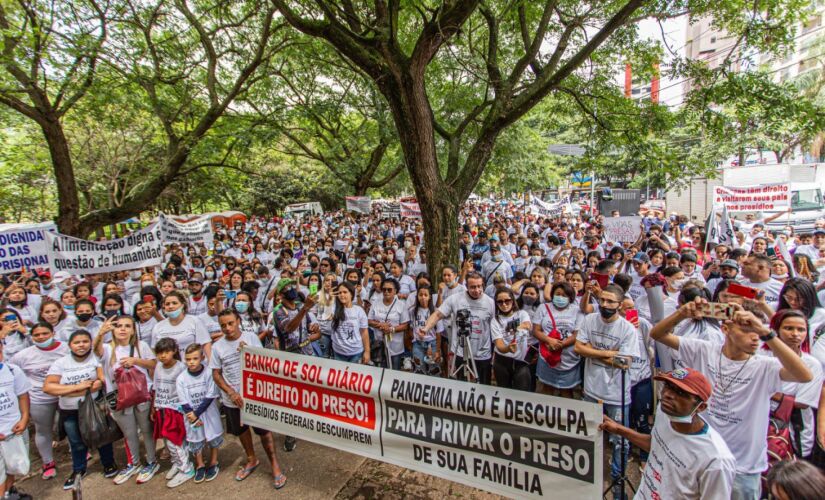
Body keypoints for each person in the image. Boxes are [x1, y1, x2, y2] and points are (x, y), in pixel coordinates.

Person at [650, 301, 813, 500]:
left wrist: (765, 332)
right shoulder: (704, 350)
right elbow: (657, 334)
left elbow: (805, 375)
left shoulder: (765, 366)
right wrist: (682, 314)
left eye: (757, 332)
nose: (755, 338)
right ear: (725, 329)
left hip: (743, 468)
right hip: (699, 456)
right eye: (746, 330)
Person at [600, 367, 736, 500]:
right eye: (668, 386)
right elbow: (656, 444)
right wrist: (618, 429)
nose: (668, 394)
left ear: (700, 407)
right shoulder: (665, 412)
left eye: (680, 393)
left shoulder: (716, 461)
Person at [573, 284, 640, 499]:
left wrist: (592, 352)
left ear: (620, 305)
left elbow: (625, 362)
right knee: (589, 434)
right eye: (602, 300)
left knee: (620, 441)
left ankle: (618, 482)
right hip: (592, 390)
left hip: (616, 395)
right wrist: (609, 353)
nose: (605, 305)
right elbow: (578, 348)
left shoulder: (627, 329)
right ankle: (587, 477)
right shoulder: (589, 320)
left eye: (611, 302)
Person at [211, 309, 287, 489]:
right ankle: (251, 459)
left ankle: (275, 466)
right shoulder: (217, 347)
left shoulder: (251, 337)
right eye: (223, 325)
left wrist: (250, 351)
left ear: (238, 321)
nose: (227, 328)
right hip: (233, 400)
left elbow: (265, 363)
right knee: (242, 431)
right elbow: (216, 374)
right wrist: (231, 392)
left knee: (264, 432)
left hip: (254, 397)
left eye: (230, 323)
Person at [44, 330, 118, 490]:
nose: (81, 345)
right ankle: (78, 470)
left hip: (94, 407)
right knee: (76, 442)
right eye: (77, 342)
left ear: (90, 343)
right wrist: (78, 387)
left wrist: (66, 389)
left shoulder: (95, 359)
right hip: (69, 410)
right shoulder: (61, 363)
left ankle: (109, 463)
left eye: (85, 341)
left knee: (102, 437)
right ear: (70, 345)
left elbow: (98, 383)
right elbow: (49, 387)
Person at [93, 315, 158, 485]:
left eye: (127, 326)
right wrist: (100, 334)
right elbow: (96, 351)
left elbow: (153, 364)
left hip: (141, 394)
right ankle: (134, 463)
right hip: (118, 397)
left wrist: (135, 361)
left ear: (132, 330)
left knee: (146, 429)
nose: (122, 329)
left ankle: (152, 461)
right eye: (119, 326)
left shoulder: (140, 346)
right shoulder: (107, 348)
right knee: (129, 433)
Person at [9, 322, 67, 480]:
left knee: (72, 426)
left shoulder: (66, 348)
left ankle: (79, 452)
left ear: (53, 333)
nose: (41, 337)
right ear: (32, 337)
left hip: (66, 395)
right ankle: (48, 462)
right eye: (36, 335)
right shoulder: (23, 355)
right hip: (39, 398)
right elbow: (10, 371)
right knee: (43, 430)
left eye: (45, 334)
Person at [423, 272, 495, 384]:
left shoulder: (490, 303)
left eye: (479, 286)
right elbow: (438, 314)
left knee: (483, 385)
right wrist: (426, 328)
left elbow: (495, 327)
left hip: (482, 353)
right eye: (472, 287)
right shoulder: (455, 299)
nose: (476, 290)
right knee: (461, 385)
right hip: (460, 351)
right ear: (466, 286)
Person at [176, 343, 222, 484]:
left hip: (208, 412)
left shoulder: (209, 373)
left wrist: (197, 413)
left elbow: (210, 395)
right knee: (196, 440)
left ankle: (214, 461)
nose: (192, 362)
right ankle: (200, 464)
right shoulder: (181, 378)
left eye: (195, 358)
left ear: (202, 357)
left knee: (213, 437)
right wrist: (193, 416)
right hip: (191, 415)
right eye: (188, 359)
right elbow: (183, 400)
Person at [151, 338, 194, 488]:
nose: (163, 356)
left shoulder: (181, 367)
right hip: (161, 407)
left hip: (176, 409)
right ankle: (177, 463)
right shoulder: (158, 367)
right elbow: (156, 387)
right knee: (167, 440)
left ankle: (186, 468)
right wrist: (153, 407)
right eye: (159, 353)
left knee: (174, 440)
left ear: (174, 351)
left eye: (166, 352)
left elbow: (187, 388)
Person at [534, 282, 582, 398]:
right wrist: (549, 341)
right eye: (558, 294)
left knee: (567, 391)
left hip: (569, 359)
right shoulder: (543, 307)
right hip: (548, 356)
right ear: (552, 294)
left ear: (570, 297)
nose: (560, 297)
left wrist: (561, 344)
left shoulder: (577, 310)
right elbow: (536, 330)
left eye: (564, 295)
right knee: (547, 389)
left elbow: (577, 334)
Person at [0, 339, 33, 500]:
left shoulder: (13, 371)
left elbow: (22, 396)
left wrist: (25, 418)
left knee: (12, 468)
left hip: (13, 431)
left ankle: (7, 494)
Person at [490, 288, 532, 391]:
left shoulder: (522, 314)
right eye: (500, 302)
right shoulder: (495, 321)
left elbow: (527, 325)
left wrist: (517, 329)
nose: (504, 304)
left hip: (521, 361)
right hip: (502, 361)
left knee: (522, 390)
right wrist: (508, 348)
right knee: (504, 391)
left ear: (512, 301)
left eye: (507, 300)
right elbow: (499, 345)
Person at [153, 291, 212, 359]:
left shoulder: (195, 321)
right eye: (167, 304)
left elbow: (206, 344)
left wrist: (211, 365)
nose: (170, 306)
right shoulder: (158, 326)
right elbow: (155, 351)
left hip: (192, 366)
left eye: (174, 303)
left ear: (182, 305)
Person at [367, 278, 409, 370]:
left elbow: (405, 325)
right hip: (379, 345)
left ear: (395, 291)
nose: (386, 292)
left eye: (389, 289)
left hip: (395, 346)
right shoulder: (375, 303)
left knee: (394, 371)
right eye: (384, 289)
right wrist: (381, 325)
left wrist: (391, 329)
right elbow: (369, 321)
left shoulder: (401, 305)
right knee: (380, 371)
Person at [329, 282, 370, 364]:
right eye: (339, 293)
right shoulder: (333, 308)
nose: (342, 295)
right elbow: (326, 316)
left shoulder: (359, 310)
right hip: (338, 353)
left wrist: (367, 351)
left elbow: (364, 332)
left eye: (345, 292)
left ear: (351, 294)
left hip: (356, 353)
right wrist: (330, 300)